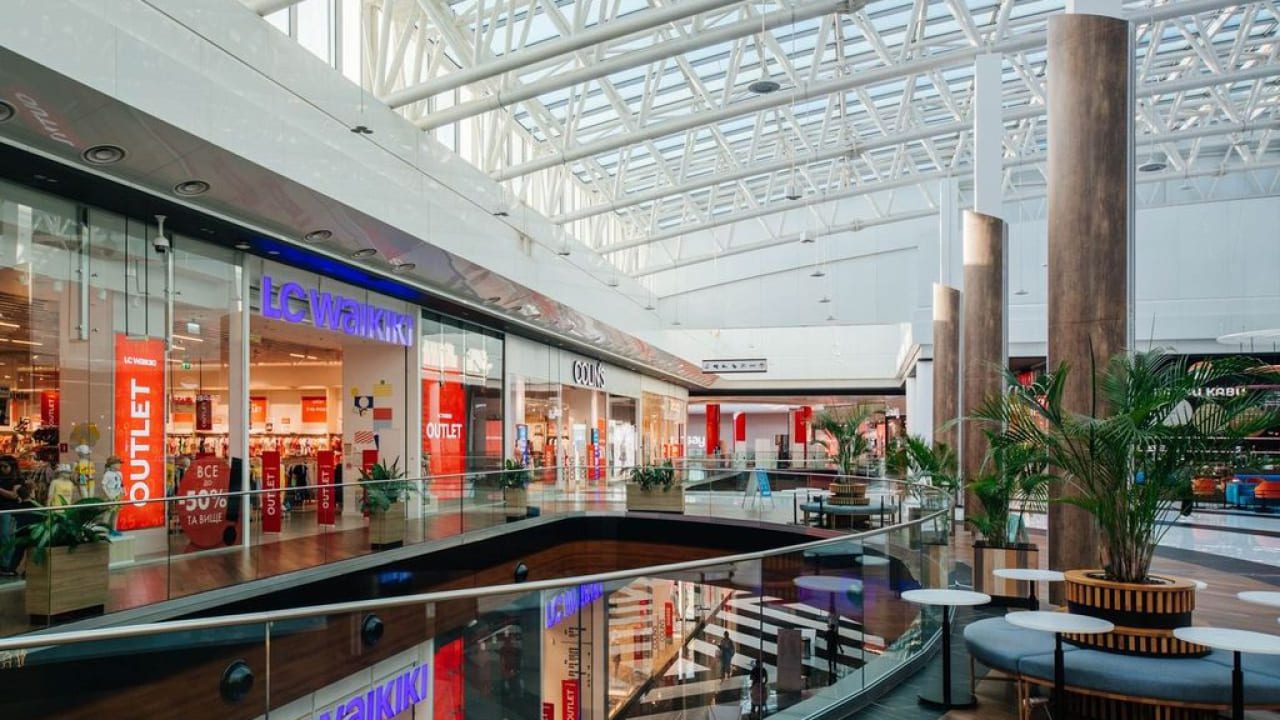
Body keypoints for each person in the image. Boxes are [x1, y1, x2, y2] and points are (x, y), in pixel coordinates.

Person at [7, 484, 40, 577]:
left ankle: (11, 569)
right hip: (33, 532)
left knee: (18, 552)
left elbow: (13, 517)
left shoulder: (17, 507)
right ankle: (28, 570)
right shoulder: (36, 506)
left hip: (21, 532)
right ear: (30, 493)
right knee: (32, 552)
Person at [0, 455, 21, 576]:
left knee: (6, 536)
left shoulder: (17, 479)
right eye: (0, 466)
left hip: (8, 510)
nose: (2, 469)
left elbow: (14, 495)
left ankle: (7, 565)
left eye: (5, 466)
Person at [100, 455, 124, 535]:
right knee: (108, 514)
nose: (119, 465)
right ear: (112, 464)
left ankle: (114, 529)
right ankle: (103, 530)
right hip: (110, 496)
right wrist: (108, 495)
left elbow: (121, 484)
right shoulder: (107, 474)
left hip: (118, 496)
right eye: (118, 463)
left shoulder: (120, 473)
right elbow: (103, 485)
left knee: (116, 514)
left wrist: (123, 491)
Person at [824, 612, 840, 684]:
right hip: (833, 646)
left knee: (830, 658)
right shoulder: (834, 633)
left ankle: (831, 668)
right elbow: (837, 641)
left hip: (829, 646)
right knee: (834, 657)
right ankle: (834, 667)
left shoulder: (828, 632)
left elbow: (825, 638)